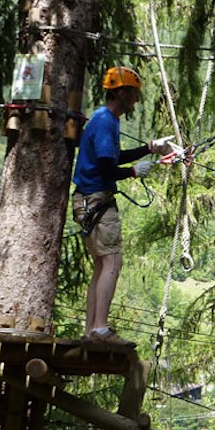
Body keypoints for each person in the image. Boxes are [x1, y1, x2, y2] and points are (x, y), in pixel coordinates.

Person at [72, 66, 175, 346]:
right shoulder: (105, 121)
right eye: (132, 93)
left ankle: (92, 329)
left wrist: (150, 148)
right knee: (112, 261)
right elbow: (108, 167)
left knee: (101, 264)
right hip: (97, 200)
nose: (136, 100)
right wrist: (132, 172)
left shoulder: (104, 119)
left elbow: (113, 156)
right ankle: (101, 329)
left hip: (87, 200)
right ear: (119, 91)